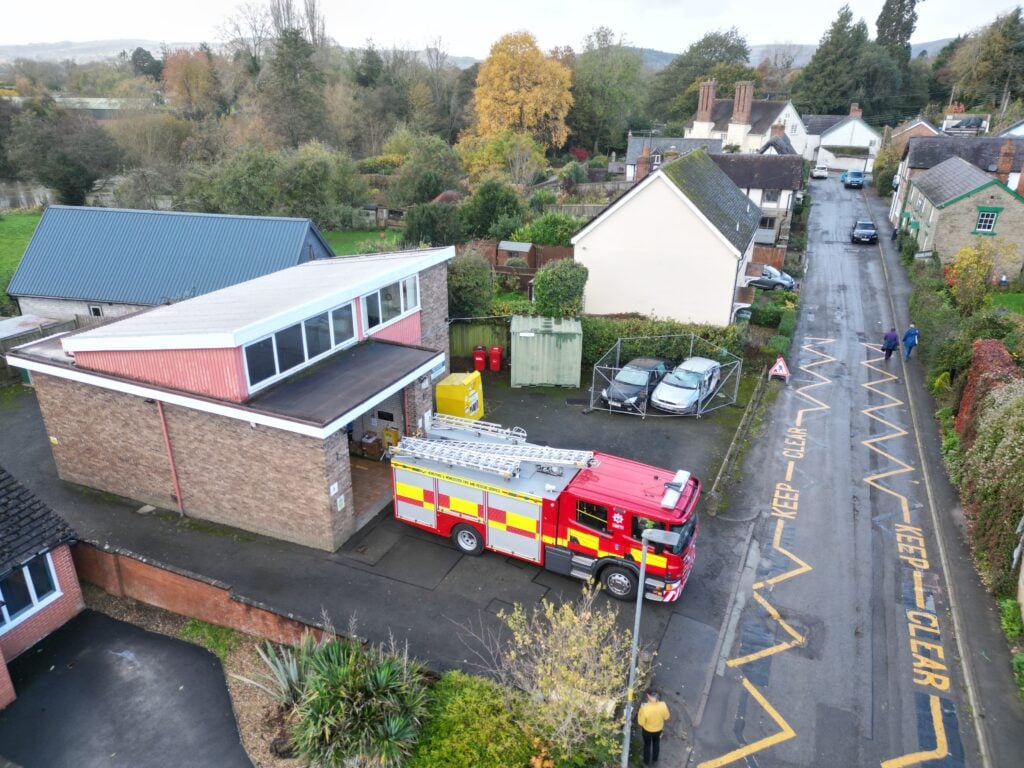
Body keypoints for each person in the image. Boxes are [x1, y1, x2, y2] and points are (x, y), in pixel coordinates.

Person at [637, 689, 670, 765]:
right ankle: (655, 759)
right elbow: (666, 717)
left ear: (648, 696)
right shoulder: (663, 705)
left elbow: (641, 723)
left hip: (647, 731)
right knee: (656, 743)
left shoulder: (644, 708)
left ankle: (646, 761)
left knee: (647, 745)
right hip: (658, 729)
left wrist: (640, 711)